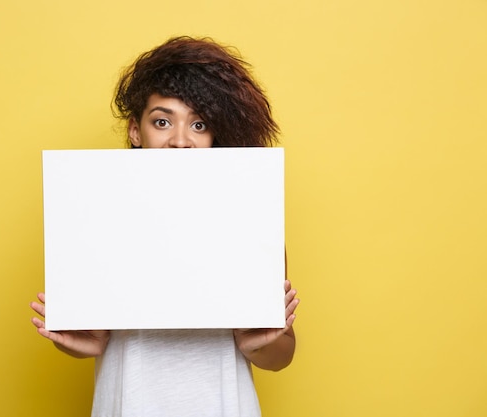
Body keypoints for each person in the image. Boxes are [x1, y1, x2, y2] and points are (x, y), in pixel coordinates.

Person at [30, 36, 300, 417]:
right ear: (135, 131)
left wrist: (260, 342)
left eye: (199, 124)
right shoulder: (96, 216)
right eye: (162, 121)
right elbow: (95, 337)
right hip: (127, 404)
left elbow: (278, 356)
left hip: (222, 405)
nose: (179, 141)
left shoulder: (249, 220)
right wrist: (73, 341)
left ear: (214, 137)